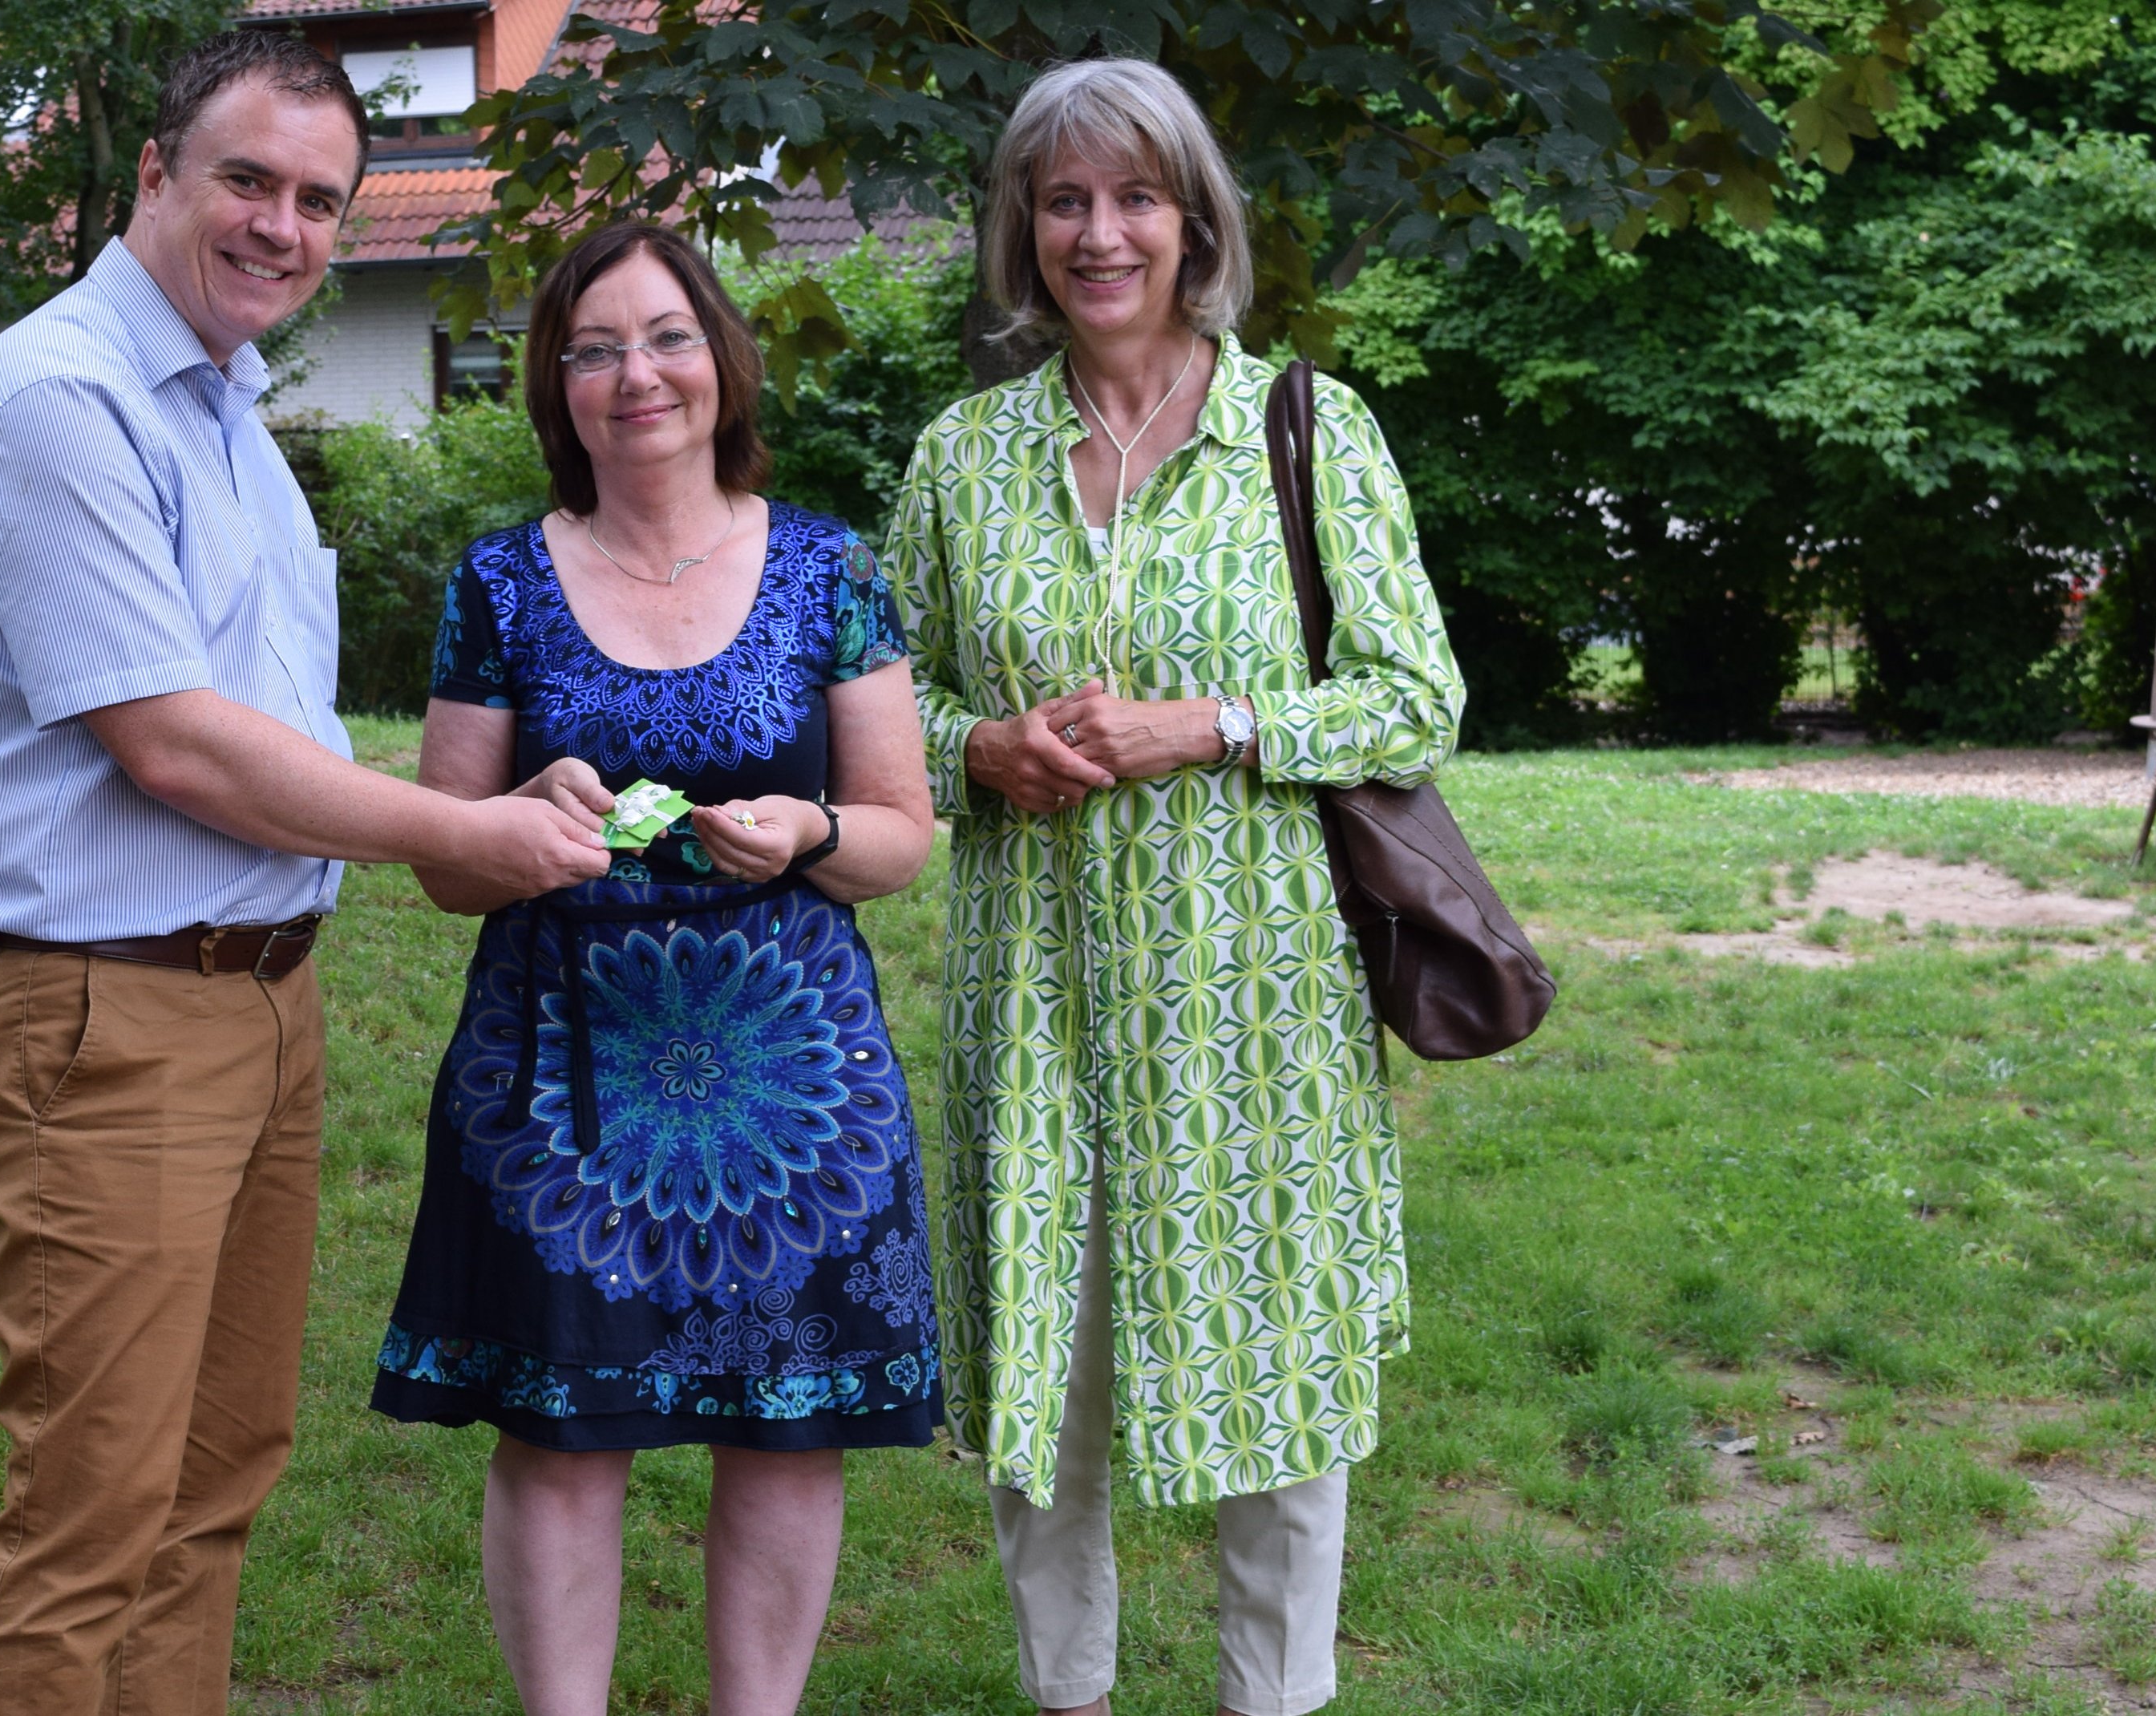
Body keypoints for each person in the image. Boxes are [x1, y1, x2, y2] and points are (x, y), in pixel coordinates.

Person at [0, 33, 617, 1714]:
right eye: (248, 179)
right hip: (109, 1020)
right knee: (89, 1521)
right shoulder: (57, 397)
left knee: (212, 1482)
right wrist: (467, 832)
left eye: (318, 199)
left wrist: (504, 792)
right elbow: (175, 743)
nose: (283, 227)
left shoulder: (221, 410)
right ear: (153, 173)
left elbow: (266, 724)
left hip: (256, 1006)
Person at [881, 57, 1467, 1716]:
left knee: (1275, 1386)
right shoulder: (963, 459)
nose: (1100, 231)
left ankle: (1270, 1698)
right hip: (1037, 993)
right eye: (1063, 199)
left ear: (1194, 218)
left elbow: (1416, 695)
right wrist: (978, 742)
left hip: (1253, 999)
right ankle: (1065, 1691)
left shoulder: (1306, 429)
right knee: (1044, 1377)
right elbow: (877, 708)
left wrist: (1211, 724)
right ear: (1021, 229)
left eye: (1135, 195)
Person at [366, 221, 941, 1716]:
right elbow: (441, 861)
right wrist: (519, 827)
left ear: (722, 360)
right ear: (557, 388)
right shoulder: (496, 583)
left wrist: (811, 826)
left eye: (669, 337)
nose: (639, 375)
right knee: (562, 1433)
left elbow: (900, 837)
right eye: (597, 348)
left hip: (793, 1078)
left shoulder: (829, 566)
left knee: (786, 1428)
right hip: (556, 1066)